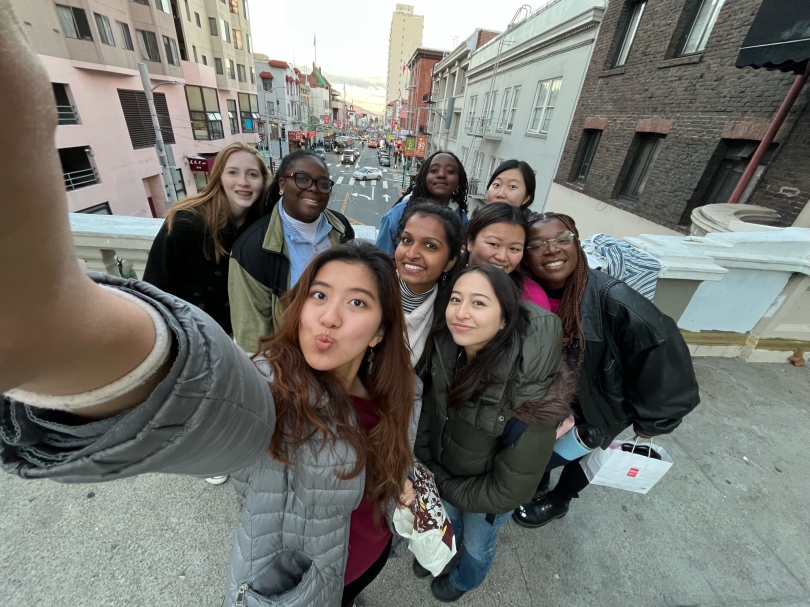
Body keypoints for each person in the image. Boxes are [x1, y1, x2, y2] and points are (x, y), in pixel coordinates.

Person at [512, 212, 700, 529]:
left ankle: (560, 500)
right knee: (542, 442)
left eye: (562, 239)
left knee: (584, 452)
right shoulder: (525, 291)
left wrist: (653, 420)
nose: (552, 249)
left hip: (601, 398)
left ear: (576, 241)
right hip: (553, 393)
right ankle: (539, 478)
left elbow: (662, 351)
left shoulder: (613, 298)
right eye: (538, 244)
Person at [413, 265, 573, 602]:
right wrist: (426, 460)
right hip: (445, 473)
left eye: (479, 303)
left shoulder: (525, 390)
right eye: (456, 299)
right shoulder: (448, 348)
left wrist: (440, 482)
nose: (461, 312)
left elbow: (508, 490)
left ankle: (465, 579)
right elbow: (432, 408)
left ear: (504, 320)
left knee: (476, 545)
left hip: (484, 497)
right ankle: (442, 555)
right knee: (446, 522)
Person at [229, 149, 354, 353]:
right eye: (302, 179)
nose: (314, 189)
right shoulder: (252, 249)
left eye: (323, 183)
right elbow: (252, 338)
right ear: (282, 184)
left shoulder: (340, 228)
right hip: (289, 365)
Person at [143, 142, 270, 336]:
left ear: (263, 181)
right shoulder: (186, 223)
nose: (243, 182)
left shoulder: (261, 223)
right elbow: (154, 287)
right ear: (218, 177)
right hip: (186, 335)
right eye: (233, 172)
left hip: (231, 335)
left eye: (252, 174)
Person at [393, 202, 463, 367]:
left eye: (430, 246)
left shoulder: (452, 316)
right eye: (407, 240)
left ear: (450, 262)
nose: (411, 254)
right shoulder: (370, 292)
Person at [376, 151, 469, 255]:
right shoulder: (397, 215)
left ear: (458, 184)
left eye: (450, 171)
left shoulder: (462, 220)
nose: (441, 174)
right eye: (434, 170)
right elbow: (381, 262)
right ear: (424, 178)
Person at [463, 203, 552, 311]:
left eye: (514, 249)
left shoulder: (532, 296)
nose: (502, 257)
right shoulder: (443, 279)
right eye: (494, 244)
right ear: (470, 242)